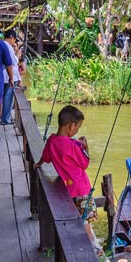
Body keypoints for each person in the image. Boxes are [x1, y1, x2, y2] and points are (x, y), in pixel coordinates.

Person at [33, 106, 100, 251]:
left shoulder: (52, 141)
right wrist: (85, 148)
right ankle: (93, 250)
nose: (77, 131)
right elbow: (85, 163)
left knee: (78, 219)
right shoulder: (73, 145)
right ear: (71, 126)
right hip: (81, 189)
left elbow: (46, 158)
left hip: (68, 190)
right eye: (78, 127)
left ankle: (88, 245)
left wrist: (38, 164)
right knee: (85, 221)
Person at [1, 30, 21, 125]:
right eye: (14, 39)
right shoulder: (8, 46)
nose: (14, 42)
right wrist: (17, 56)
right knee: (8, 98)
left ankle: (5, 117)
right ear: (11, 37)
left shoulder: (1, 44)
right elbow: (13, 61)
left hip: (3, 75)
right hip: (9, 75)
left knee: (5, 97)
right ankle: (6, 119)